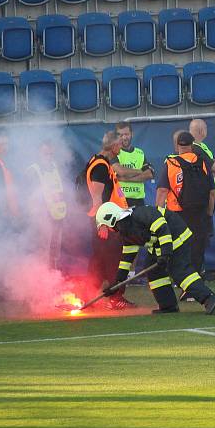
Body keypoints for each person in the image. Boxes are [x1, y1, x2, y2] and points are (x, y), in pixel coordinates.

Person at [95, 202, 215, 315]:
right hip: (162, 246)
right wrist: (118, 282)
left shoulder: (140, 214)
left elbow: (162, 228)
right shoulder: (126, 230)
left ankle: (209, 297)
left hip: (176, 238)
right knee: (154, 271)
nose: (109, 230)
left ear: (110, 219)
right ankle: (168, 306)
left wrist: (165, 254)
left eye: (105, 226)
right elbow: (127, 256)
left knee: (179, 271)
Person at [155, 131, 215, 280]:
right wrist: (209, 213)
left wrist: (158, 215)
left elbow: (162, 191)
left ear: (177, 146)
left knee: (179, 246)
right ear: (192, 145)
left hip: (177, 213)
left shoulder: (171, 163)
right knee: (197, 246)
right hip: (199, 211)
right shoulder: (202, 162)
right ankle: (195, 280)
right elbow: (211, 192)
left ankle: (180, 279)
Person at [82, 131, 132, 309]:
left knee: (100, 260)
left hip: (107, 220)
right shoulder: (100, 166)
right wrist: (102, 223)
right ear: (113, 147)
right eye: (119, 144)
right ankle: (115, 297)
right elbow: (97, 197)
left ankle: (87, 296)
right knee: (114, 261)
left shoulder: (100, 162)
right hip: (106, 222)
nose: (122, 146)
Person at [25, 140, 66, 270]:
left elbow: (60, 190)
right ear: (38, 153)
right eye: (45, 153)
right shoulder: (33, 170)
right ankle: (43, 277)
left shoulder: (54, 167)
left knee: (55, 248)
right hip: (42, 215)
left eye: (50, 153)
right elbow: (29, 195)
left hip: (57, 214)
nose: (48, 155)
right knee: (43, 248)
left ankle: (54, 275)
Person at [189, 118, 215, 282]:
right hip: (204, 198)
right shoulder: (195, 148)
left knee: (203, 236)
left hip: (210, 196)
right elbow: (214, 166)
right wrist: (214, 167)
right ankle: (196, 272)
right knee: (200, 236)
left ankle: (200, 269)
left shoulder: (203, 147)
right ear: (201, 130)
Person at [114, 121, 155, 208]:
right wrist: (140, 171)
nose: (124, 137)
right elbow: (122, 172)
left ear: (132, 134)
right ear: (116, 136)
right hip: (120, 200)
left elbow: (149, 174)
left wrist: (125, 179)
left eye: (126, 134)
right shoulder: (114, 152)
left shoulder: (140, 153)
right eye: (120, 135)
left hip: (138, 201)